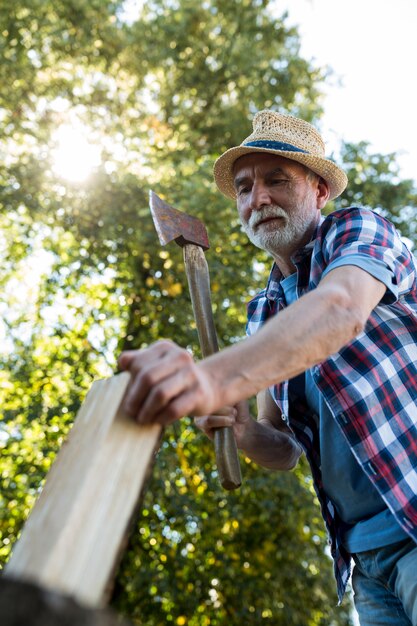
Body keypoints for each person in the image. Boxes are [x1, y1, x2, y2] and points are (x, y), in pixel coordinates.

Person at [118, 110, 417, 625]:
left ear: (320, 190)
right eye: (243, 187)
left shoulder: (357, 232)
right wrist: (241, 427)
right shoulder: (265, 314)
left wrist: (209, 379)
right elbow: (284, 450)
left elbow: (340, 309)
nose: (257, 199)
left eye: (277, 180)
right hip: (365, 563)